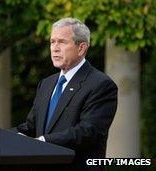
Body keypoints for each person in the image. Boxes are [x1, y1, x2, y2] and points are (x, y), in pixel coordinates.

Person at [16, 17, 118, 170]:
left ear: (81, 48)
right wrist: (7, 137)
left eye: (62, 42)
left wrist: (43, 141)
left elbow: (88, 131)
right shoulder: (46, 84)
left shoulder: (101, 85)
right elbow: (31, 127)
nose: (55, 48)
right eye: (52, 42)